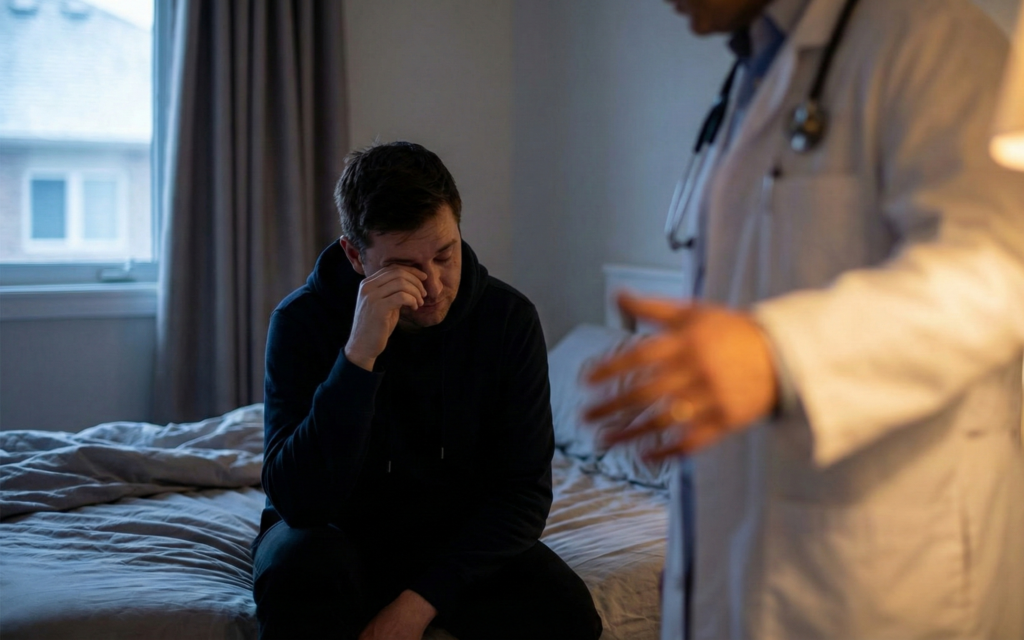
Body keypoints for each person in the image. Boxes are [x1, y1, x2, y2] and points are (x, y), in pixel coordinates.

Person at [585, 0, 1024, 638]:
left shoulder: (934, 38)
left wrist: (778, 354)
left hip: (881, 583)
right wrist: (695, 557)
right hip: (746, 572)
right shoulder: (756, 72)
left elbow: (998, 273)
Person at [252, 141, 601, 640]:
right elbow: (298, 503)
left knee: (565, 610)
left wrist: (419, 604)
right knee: (302, 573)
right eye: (405, 267)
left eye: (444, 255)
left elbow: (523, 494)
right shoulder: (301, 320)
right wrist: (358, 356)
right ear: (355, 256)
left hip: (451, 538)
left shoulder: (508, 320)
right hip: (329, 533)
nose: (434, 287)